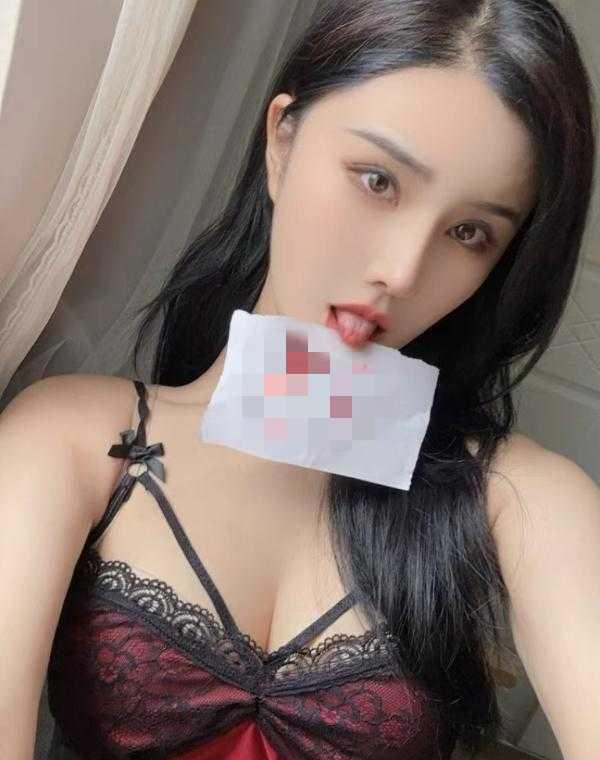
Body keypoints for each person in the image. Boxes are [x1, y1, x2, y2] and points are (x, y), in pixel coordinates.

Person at [1, 0, 599, 758]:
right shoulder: (72, 439)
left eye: (469, 232)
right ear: (282, 141)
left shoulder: (520, 501)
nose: (403, 271)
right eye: (377, 180)